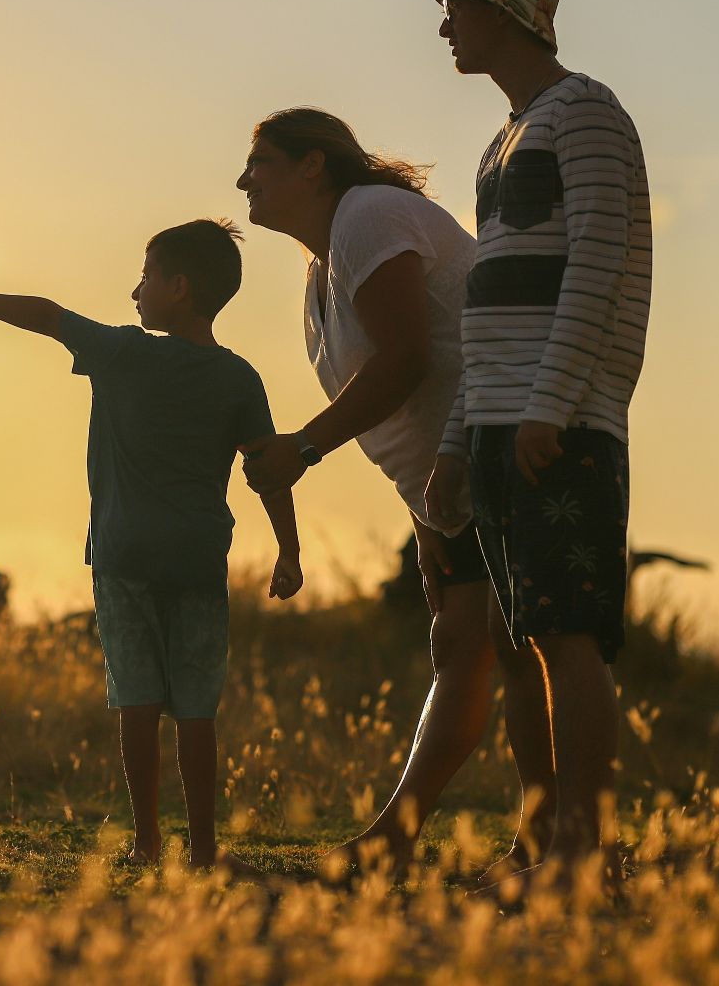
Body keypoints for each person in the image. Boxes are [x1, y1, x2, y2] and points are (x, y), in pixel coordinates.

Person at [0, 219, 303, 869]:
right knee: (197, 710)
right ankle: (203, 850)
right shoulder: (239, 378)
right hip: (199, 559)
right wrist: (289, 550)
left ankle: (148, 843)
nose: (135, 290)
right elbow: (266, 469)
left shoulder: (123, 352)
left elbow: (45, 315)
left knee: (137, 701)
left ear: (178, 287)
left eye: (146, 277)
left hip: (123, 556)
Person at [235, 109, 555, 876]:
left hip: (506, 443)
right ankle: (418, 837)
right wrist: (426, 522)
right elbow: (413, 391)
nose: (245, 180)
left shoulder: (369, 217)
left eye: (261, 162)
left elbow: (409, 359)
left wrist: (304, 447)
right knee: (464, 647)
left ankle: (540, 839)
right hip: (452, 478)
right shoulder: (326, 265)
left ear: (314, 166)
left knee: (516, 647)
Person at [424, 0, 653, 890]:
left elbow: (601, 269)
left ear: (511, 16)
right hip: (495, 425)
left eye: (459, 8)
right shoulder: (503, 139)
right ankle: (537, 841)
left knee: (567, 635)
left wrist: (552, 405)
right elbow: (490, 304)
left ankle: (581, 857)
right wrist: (454, 440)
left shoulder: (588, 113)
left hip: (557, 424)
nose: (445, 25)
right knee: (519, 645)